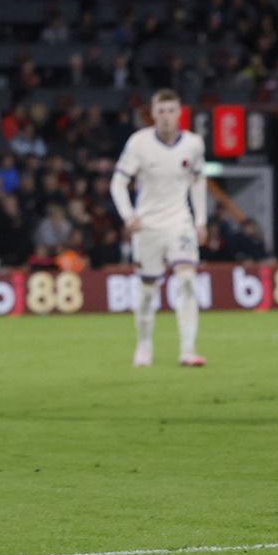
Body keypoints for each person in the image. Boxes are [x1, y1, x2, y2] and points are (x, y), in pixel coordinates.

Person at [109, 89, 208, 368]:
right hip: (148, 225)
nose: (166, 117)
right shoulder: (139, 144)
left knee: (187, 280)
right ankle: (143, 345)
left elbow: (198, 182)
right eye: (161, 111)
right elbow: (117, 183)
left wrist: (200, 221)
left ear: (180, 113)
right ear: (152, 114)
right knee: (148, 289)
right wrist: (129, 216)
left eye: (171, 111)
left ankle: (187, 349)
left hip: (180, 222)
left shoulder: (193, 144)